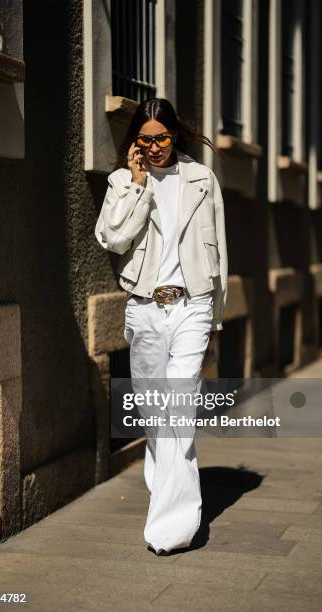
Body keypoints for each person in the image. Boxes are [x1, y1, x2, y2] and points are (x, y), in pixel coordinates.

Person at [94, 97, 228, 555]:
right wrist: (135, 186)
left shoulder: (201, 180)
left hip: (192, 305)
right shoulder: (122, 181)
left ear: (176, 136)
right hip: (146, 310)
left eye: (162, 138)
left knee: (177, 407)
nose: (154, 148)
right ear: (135, 142)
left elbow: (220, 252)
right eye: (145, 139)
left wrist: (216, 317)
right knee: (157, 415)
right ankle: (165, 482)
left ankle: (174, 526)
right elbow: (113, 238)